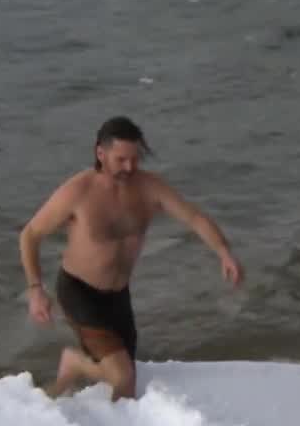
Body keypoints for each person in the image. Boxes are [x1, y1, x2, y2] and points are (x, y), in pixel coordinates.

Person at [18, 116, 243, 401]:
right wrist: (36, 290)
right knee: (122, 375)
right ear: (101, 153)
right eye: (121, 159)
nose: (130, 167)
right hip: (79, 292)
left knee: (125, 389)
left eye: (135, 159)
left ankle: (92, 395)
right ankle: (73, 365)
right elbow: (30, 234)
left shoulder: (149, 188)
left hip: (118, 298)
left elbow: (194, 218)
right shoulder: (77, 192)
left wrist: (224, 252)